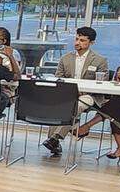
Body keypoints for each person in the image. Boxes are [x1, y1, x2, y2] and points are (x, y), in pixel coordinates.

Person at [42, 26, 109, 156]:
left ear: (91, 43)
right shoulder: (65, 58)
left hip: (89, 95)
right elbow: (58, 79)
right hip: (67, 94)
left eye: (82, 40)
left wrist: (83, 91)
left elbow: (102, 83)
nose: (77, 43)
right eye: (77, 39)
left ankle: (54, 138)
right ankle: (64, 133)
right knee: (59, 105)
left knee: (74, 106)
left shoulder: (100, 60)